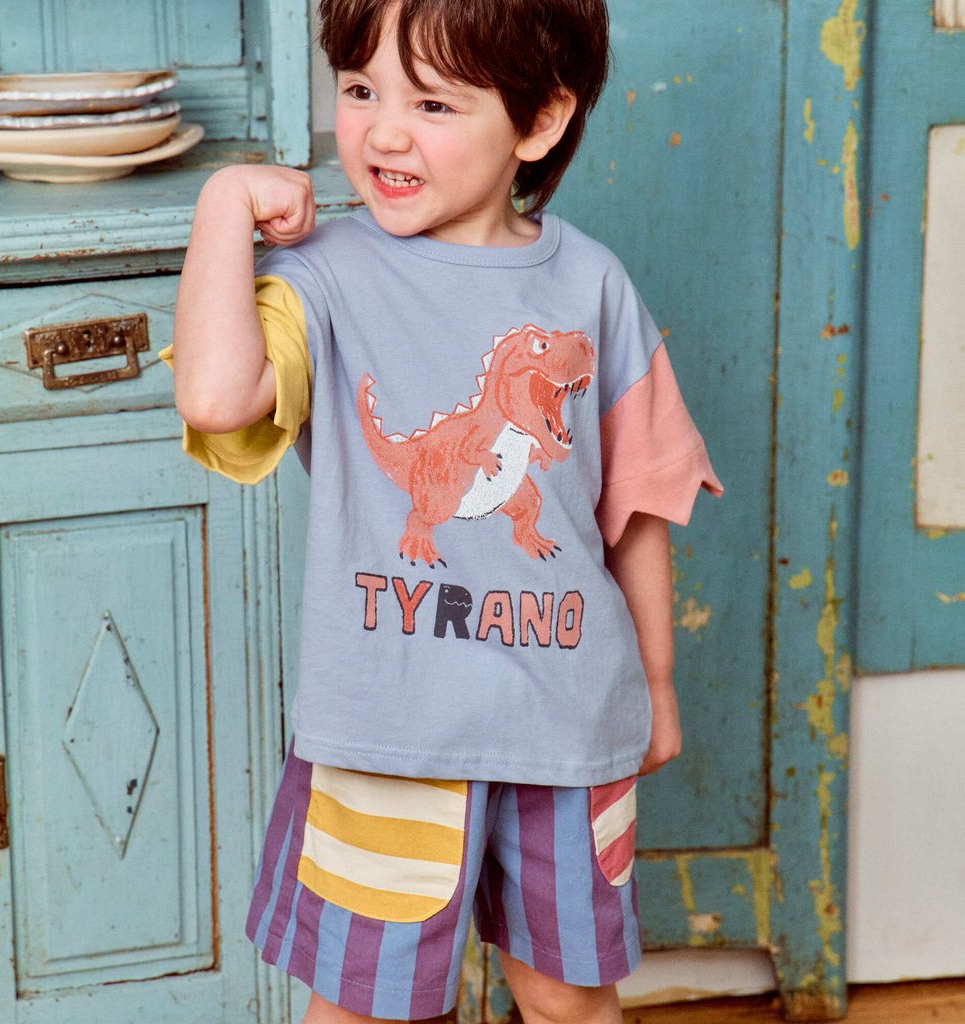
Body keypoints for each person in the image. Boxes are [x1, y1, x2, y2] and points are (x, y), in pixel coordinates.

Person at [158, 0, 724, 1021]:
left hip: (565, 722)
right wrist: (222, 205)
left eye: (431, 103)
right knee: (368, 1007)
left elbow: (635, 503)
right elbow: (213, 395)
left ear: (538, 122)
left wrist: (655, 683)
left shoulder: (592, 287)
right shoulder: (323, 276)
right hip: (388, 735)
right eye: (361, 90)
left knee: (569, 998)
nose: (383, 132)